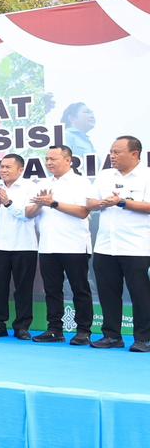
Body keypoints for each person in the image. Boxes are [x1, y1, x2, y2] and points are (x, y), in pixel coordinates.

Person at [88, 135, 150, 352]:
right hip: (105, 245)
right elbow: (89, 202)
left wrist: (123, 202)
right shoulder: (105, 176)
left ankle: (144, 338)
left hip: (136, 245)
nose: (112, 156)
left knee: (141, 295)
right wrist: (102, 203)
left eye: (117, 152)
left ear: (135, 154)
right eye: (111, 152)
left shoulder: (147, 176)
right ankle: (111, 336)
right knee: (108, 292)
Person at [26, 144, 93, 344]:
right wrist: (40, 203)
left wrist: (54, 203)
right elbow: (29, 213)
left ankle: (83, 330)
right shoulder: (43, 183)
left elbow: (83, 211)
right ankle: (54, 329)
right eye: (47, 159)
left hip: (75, 245)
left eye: (53, 159)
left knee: (79, 289)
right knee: (52, 290)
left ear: (68, 160)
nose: (49, 163)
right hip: (48, 245)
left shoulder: (81, 182)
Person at [0, 154, 38, 339]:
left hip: (25, 245)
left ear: (21, 169)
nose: (3, 170)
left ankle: (22, 327)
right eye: (2, 167)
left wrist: (8, 203)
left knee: (23, 288)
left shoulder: (31, 187)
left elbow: (28, 215)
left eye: (8, 167)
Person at [61, 102, 96, 170]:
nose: (92, 115)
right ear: (72, 118)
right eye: (87, 112)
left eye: (92, 112)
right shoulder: (66, 135)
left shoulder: (86, 140)